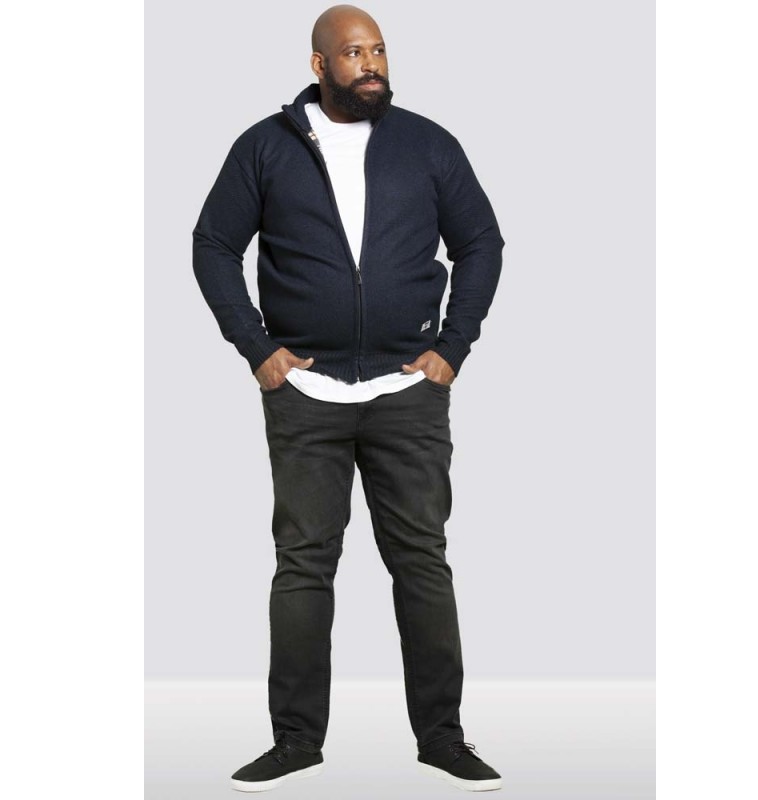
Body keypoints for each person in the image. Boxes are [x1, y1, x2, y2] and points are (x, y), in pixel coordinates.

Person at [192, 4, 505, 793]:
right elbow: (213, 244)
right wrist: (258, 349)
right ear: (319, 65)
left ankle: (442, 738)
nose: (371, 65)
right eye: (354, 53)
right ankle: (296, 741)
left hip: (407, 391)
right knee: (303, 566)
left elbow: (481, 243)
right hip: (305, 392)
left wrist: (451, 349)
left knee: (421, 562)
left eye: (379, 50)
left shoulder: (428, 144)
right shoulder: (266, 147)